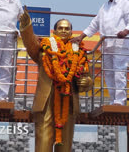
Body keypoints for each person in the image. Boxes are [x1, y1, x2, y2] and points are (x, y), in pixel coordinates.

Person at [19, 9, 92, 152]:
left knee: (65, 146)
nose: (64, 31)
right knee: (43, 143)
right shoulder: (44, 49)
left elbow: (85, 76)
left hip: (69, 103)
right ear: (54, 31)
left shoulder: (79, 52)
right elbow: (30, 43)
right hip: (46, 102)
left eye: (67, 29)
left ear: (71, 32)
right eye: (61, 28)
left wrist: (87, 82)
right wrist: (27, 26)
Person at [71, 0, 129, 106]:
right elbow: (94, 24)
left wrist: (126, 31)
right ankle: (113, 100)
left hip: (120, 44)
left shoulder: (125, 4)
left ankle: (120, 101)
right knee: (109, 73)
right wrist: (81, 36)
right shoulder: (104, 7)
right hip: (106, 45)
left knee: (119, 72)